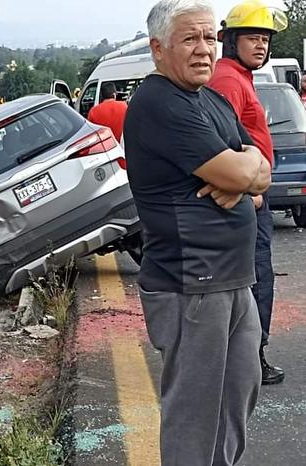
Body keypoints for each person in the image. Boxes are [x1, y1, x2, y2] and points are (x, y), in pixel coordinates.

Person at [125, 1, 271, 464]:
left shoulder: (210, 99)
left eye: (210, 38)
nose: (204, 50)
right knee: (195, 416)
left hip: (234, 279)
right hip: (193, 283)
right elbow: (238, 172)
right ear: (158, 48)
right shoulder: (158, 102)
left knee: (237, 400)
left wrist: (245, 174)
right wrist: (240, 174)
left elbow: (260, 171)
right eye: (190, 39)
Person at [208, 0, 288, 386]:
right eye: (253, 38)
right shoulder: (227, 79)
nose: (261, 46)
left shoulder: (240, 77)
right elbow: (220, 141)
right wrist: (246, 193)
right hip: (248, 202)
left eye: (265, 40)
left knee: (254, 277)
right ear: (231, 41)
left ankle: (249, 357)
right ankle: (249, 360)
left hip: (252, 195)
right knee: (254, 278)